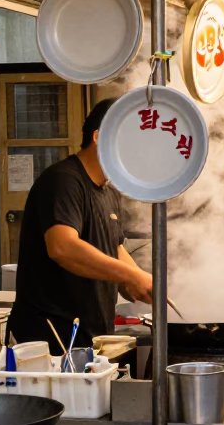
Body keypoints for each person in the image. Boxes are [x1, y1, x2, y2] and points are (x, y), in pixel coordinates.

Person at [10, 98, 154, 350]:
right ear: (98, 137)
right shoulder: (63, 181)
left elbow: (113, 248)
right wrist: (132, 274)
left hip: (89, 341)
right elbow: (62, 247)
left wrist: (140, 283)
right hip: (50, 343)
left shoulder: (108, 193)